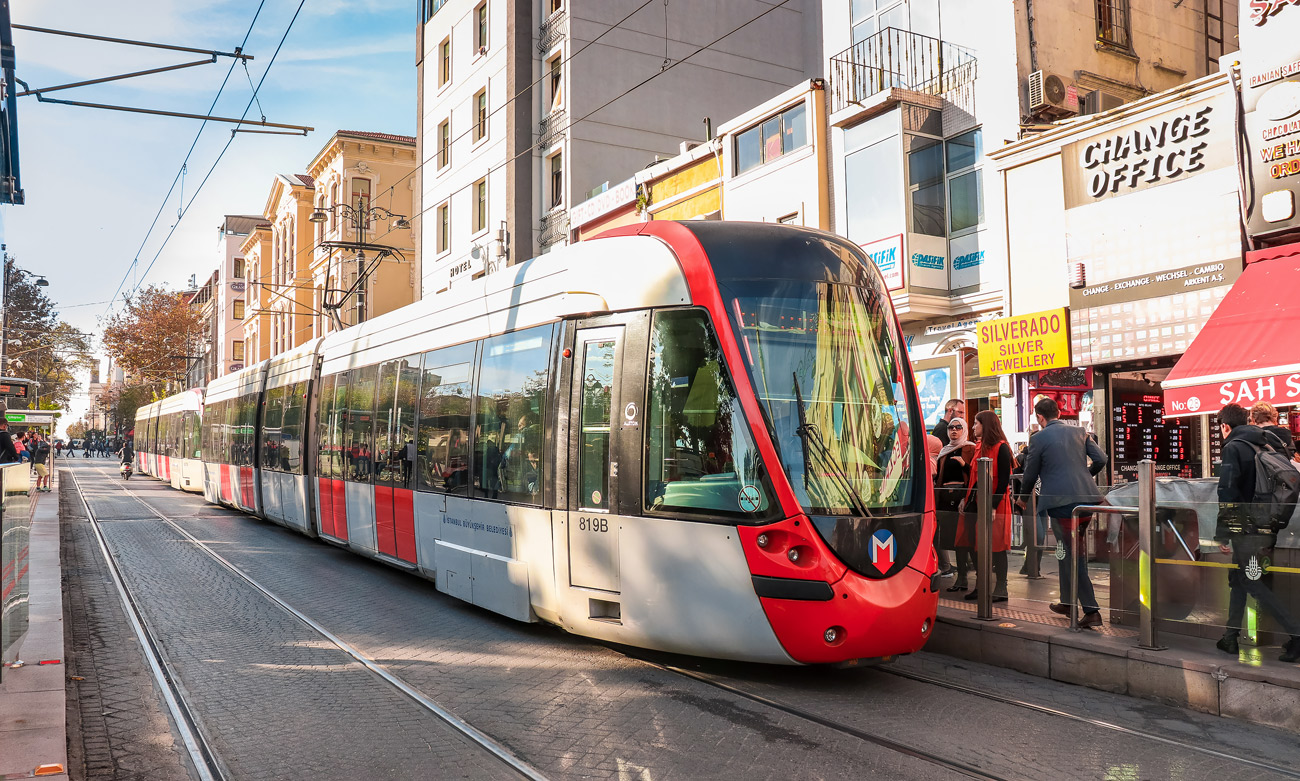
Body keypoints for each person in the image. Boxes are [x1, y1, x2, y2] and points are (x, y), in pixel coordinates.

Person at [1212, 403, 1300, 662]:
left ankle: (1296, 634)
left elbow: (1227, 493)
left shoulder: (1234, 448)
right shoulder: (1266, 442)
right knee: (1239, 578)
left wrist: (1221, 534)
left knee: (1250, 580)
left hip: (1246, 530)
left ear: (1225, 426)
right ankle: (1230, 637)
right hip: (1268, 526)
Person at [1017, 397, 1109, 628]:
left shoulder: (1038, 438)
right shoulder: (1079, 431)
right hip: (1087, 501)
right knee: (1065, 550)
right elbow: (1101, 459)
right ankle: (1067, 601)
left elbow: (1030, 473)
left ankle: (1091, 610)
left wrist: (1022, 497)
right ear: (1058, 412)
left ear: (1040, 417)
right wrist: (1086, 475)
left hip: (1060, 503)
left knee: (1071, 554)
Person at [957, 411, 1014, 603]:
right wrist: (966, 498)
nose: (973, 427)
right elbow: (974, 478)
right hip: (976, 501)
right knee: (975, 544)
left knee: (997, 546)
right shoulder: (980, 447)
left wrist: (993, 506)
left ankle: (1001, 587)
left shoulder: (1002, 448)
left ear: (986, 425)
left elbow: (1003, 481)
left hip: (995, 503)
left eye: (976, 423)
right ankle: (981, 585)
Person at [935, 419, 976, 587]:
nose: (954, 430)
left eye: (958, 427)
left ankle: (967, 577)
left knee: (963, 539)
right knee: (950, 539)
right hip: (944, 500)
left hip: (961, 499)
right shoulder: (944, 450)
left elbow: (975, 474)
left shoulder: (969, 448)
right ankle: (961, 578)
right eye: (951, 427)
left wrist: (964, 465)